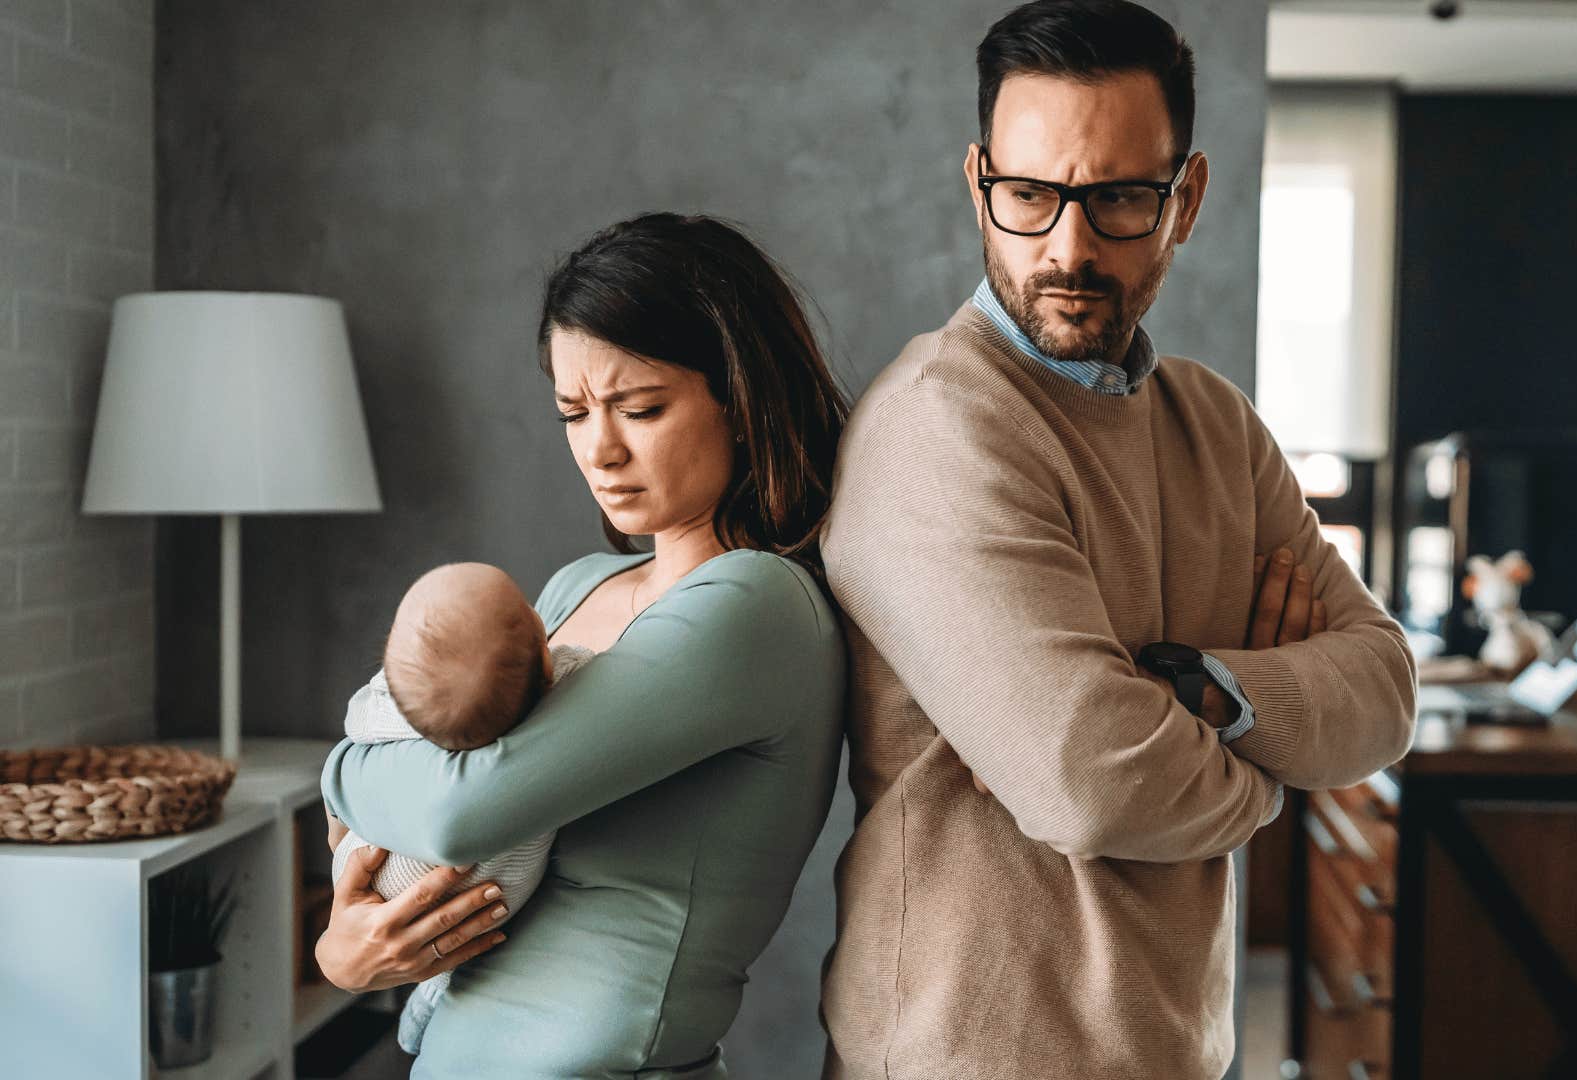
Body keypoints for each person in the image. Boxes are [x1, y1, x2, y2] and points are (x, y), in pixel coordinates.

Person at [818, 2, 1417, 1077]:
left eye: (1119, 200)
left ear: (1184, 199)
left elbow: (1383, 692)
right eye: (1031, 196)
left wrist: (1202, 692)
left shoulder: (1218, 428)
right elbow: (1090, 781)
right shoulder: (937, 425)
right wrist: (1271, 771)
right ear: (979, 186)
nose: (1069, 246)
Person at [315, 212, 851, 1079]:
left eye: (640, 408)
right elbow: (450, 818)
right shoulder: (576, 588)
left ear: (741, 399)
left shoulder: (757, 607)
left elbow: (458, 810)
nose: (600, 450)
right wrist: (346, 954)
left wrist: (338, 767)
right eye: (573, 411)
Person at [327, 561, 597, 1055]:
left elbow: (354, 728)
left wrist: (338, 817)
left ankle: (422, 1007)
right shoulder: (565, 689)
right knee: (468, 944)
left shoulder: (392, 706)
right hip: (501, 891)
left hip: (377, 872)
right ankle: (428, 1002)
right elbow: (581, 664)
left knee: (366, 865)